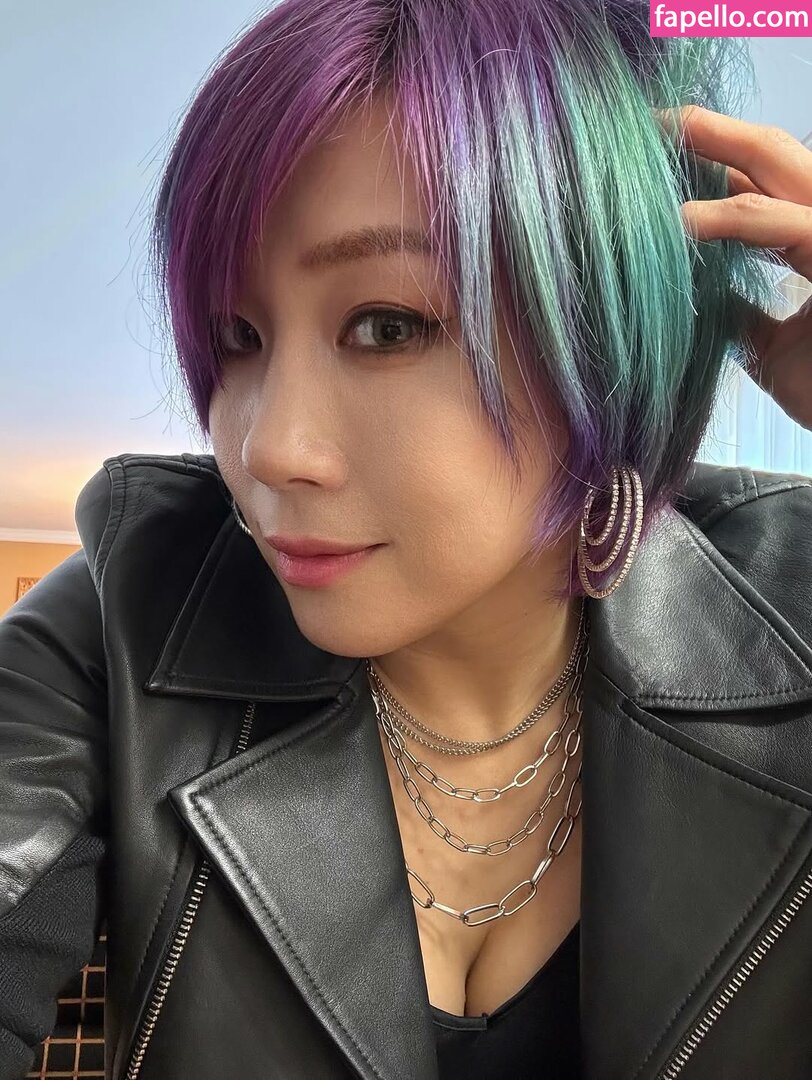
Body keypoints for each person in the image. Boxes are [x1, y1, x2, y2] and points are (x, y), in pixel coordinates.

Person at [2, 1, 812, 1078]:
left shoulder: (792, 607)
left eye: (386, 325)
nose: (269, 448)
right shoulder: (132, 607)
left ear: (610, 333)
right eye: (236, 337)